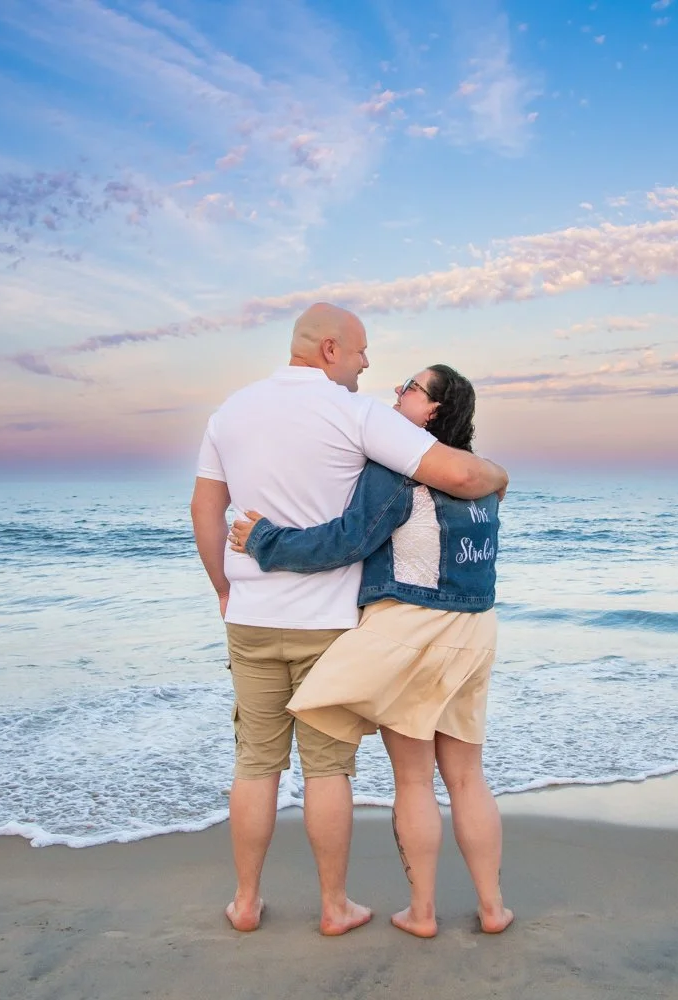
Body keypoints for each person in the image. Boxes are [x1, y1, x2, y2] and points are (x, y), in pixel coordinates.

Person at [190, 304, 509, 936]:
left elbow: (209, 509)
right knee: (337, 770)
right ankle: (345, 906)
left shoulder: (230, 414)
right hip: (367, 625)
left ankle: (249, 901)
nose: (373, 369)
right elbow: (464, 476)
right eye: (363, 353)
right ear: (331, 349)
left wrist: (227, 585)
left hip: (270, 619)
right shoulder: (357, 417)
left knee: (258, 763)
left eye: (408, 385)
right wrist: (499, 475)